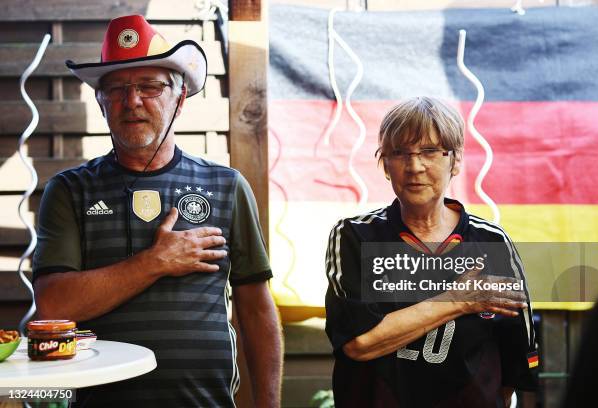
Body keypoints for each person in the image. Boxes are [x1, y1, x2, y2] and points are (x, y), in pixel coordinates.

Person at [32, 15, 281, 407]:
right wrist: (155, 261)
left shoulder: (226, 186)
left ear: (179, 99)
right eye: (116, 90)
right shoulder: (70, 190)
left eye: (149, 86)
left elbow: (256, 310)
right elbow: (54, 304)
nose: (132, 101)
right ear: (100, 103)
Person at [325, 97, 538, 407]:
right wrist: (460, 300)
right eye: (399, 153)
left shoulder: (492, 243)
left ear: (455, 160)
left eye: (429, 151)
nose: (414, 166)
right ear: (385, 164)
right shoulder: (355, 236)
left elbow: (518, 356)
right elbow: (358, 343)